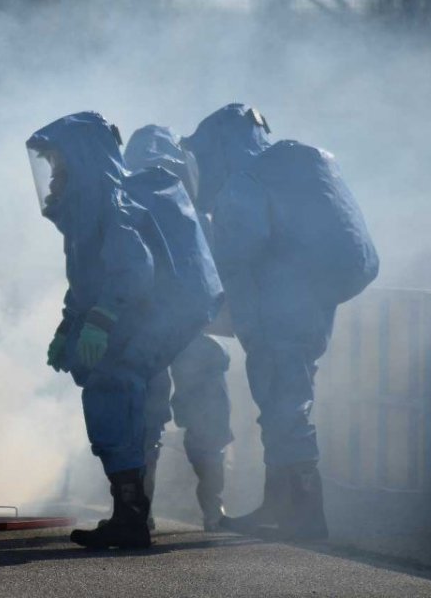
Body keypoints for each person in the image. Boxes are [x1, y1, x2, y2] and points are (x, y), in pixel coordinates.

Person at [180, 103, 380, 539]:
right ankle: (282, 506)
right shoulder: (287, 169)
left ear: (221, 146)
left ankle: (302, 514)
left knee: (284, 407)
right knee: (287, 404)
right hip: (306, 309)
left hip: (275, 315)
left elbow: (238, 250)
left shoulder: (244, 183)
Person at [27, 112, 221, 549]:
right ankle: (132, 514)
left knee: (111, 389)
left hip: (152, 315)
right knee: (126, 400)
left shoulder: (110, 205)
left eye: (59, 165)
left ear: (82, 161)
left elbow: (133, 270)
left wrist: (97, 322)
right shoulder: (88, 210)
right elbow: (87, 280)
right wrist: (67, 326)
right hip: (150, 314)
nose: (53, 179)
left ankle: (131, 518)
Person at [122, 124, 234, 531]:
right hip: (193, 332)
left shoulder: (126, 196)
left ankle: (140, 516)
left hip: (144, 332)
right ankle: (213, 510)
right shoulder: (192, 205)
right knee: (207, 422)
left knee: (146, 424)